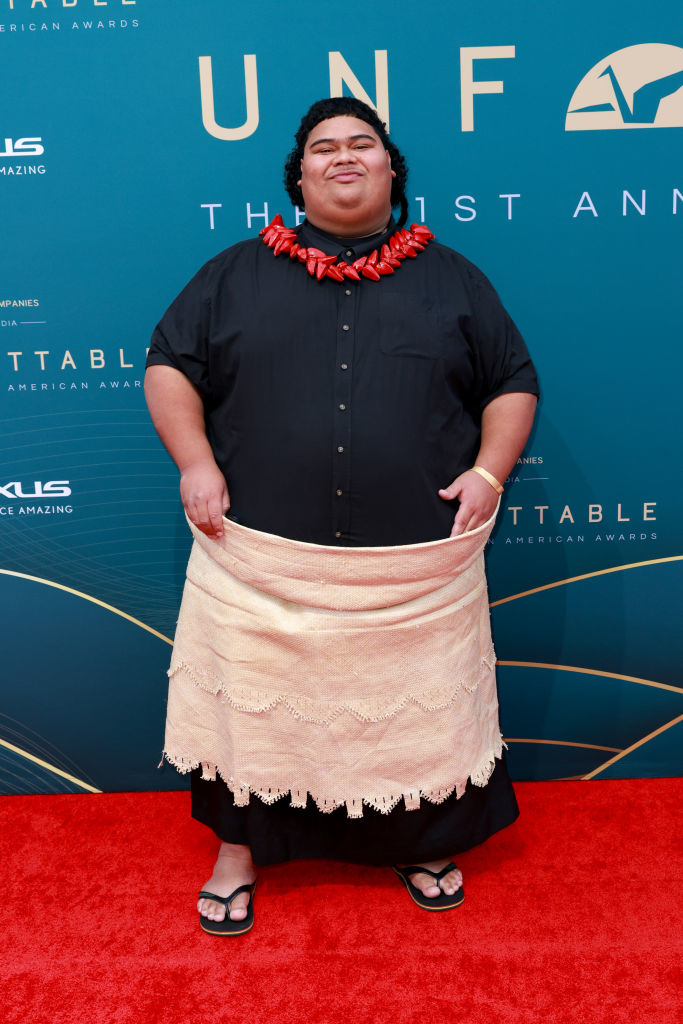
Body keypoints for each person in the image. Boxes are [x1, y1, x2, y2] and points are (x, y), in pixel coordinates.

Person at [145, 97, 539, 935]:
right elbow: (169, 365)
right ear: (298, 178)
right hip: (258, 562)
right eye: (324, 148)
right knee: (251, 712)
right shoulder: (230, 274)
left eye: (363, 144)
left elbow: (510, 382)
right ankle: (238, 852)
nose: (344, 157)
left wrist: (487, 474)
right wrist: (196, 462)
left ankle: (421, 838)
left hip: (414, 571)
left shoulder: (454, 278)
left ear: (392, 171)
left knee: (418, 712)